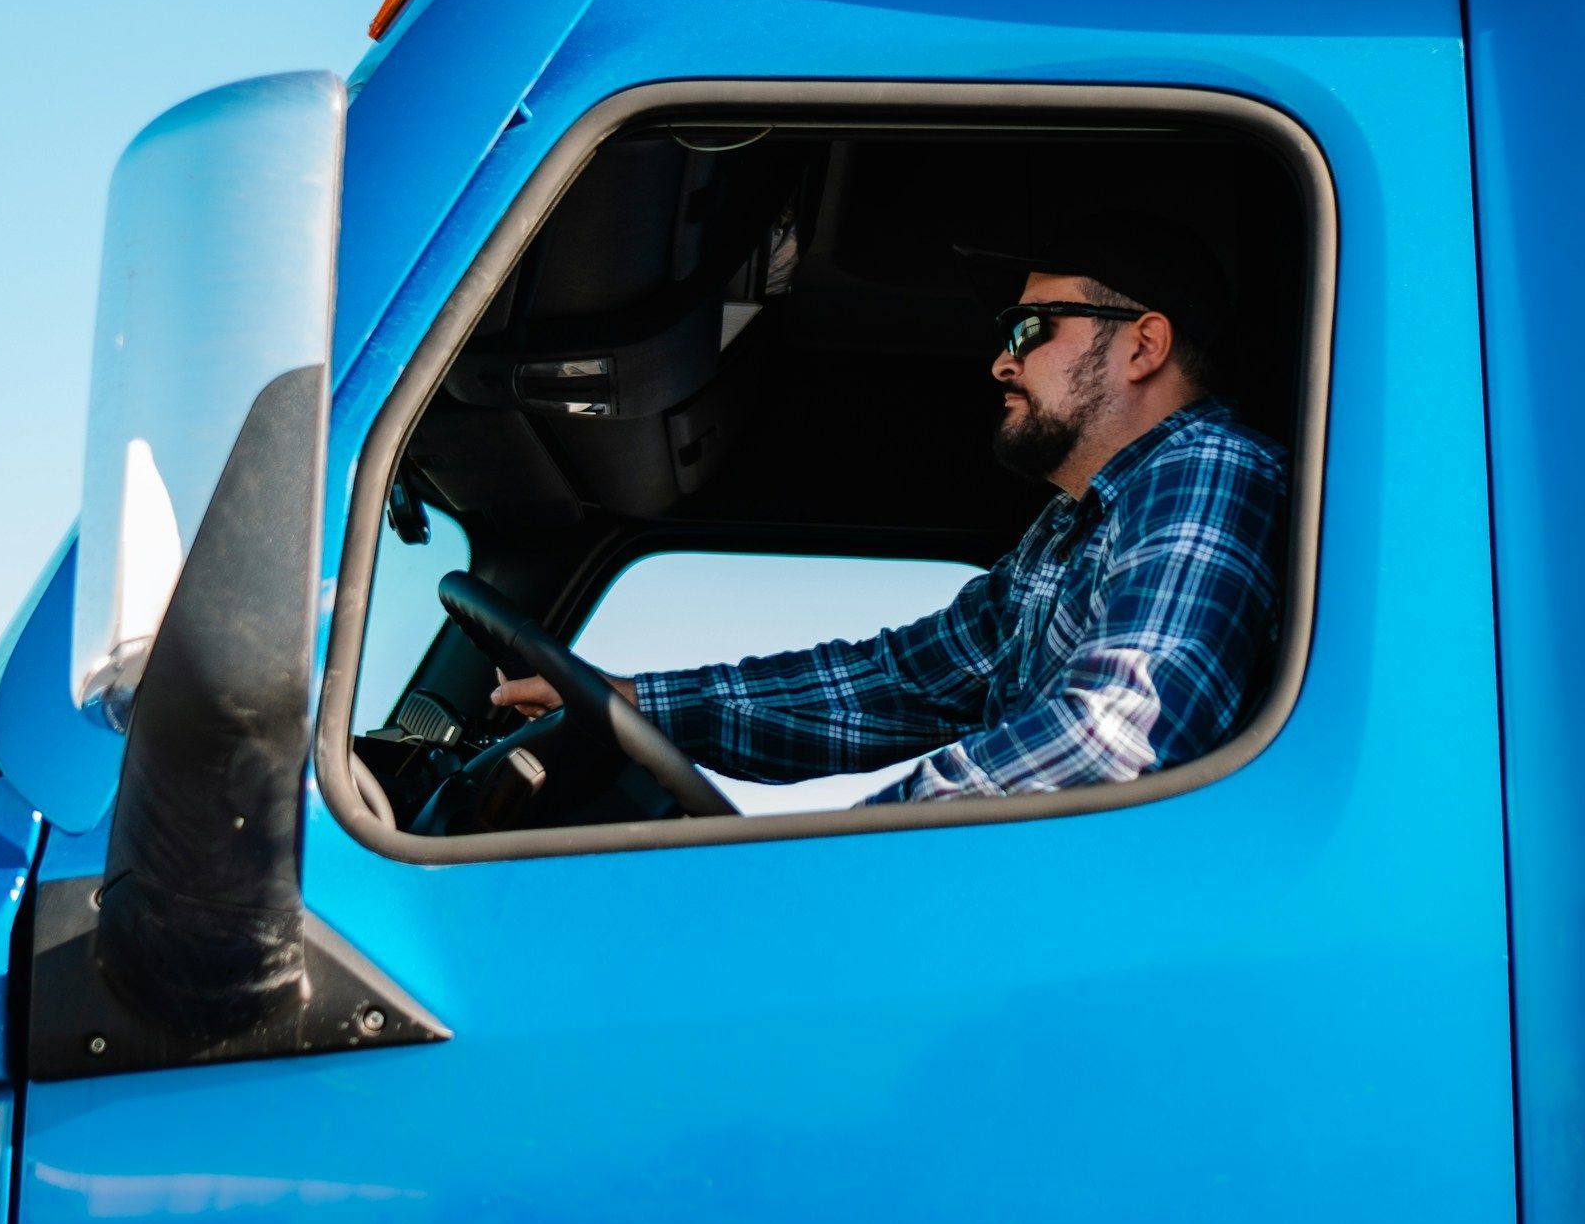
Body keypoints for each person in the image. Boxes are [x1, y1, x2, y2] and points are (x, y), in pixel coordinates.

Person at [491, 208, 1288, 803]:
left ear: (1143, 346)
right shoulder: (1066, 532)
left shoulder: (1208, 469)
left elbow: (1112, 741)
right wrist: (628, 701)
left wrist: (852, 854)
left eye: (1029, 329)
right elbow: (893, 683)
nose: (1000, 365)